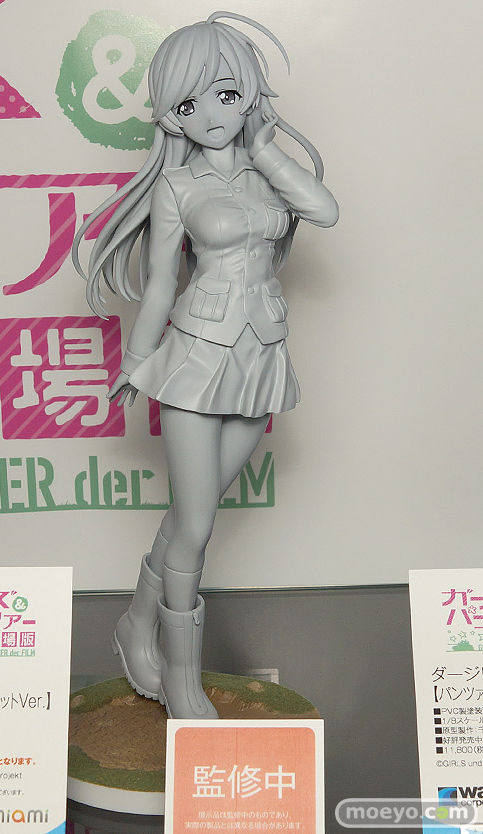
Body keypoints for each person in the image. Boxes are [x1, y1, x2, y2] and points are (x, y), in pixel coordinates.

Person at [73, 12, 338, 719]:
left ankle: (135, 623)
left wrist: (268, 152)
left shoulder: (267, 174)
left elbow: (324, 210)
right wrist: (136, 359)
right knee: (195, 526)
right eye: (189, 105)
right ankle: (181, 677)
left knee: (196, 510)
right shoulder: (176, 185)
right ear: (171, 116)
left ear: (248, 92)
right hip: (194, 358)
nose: (212, 116)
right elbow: (162, 281)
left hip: (261, 353)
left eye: (225, 94)